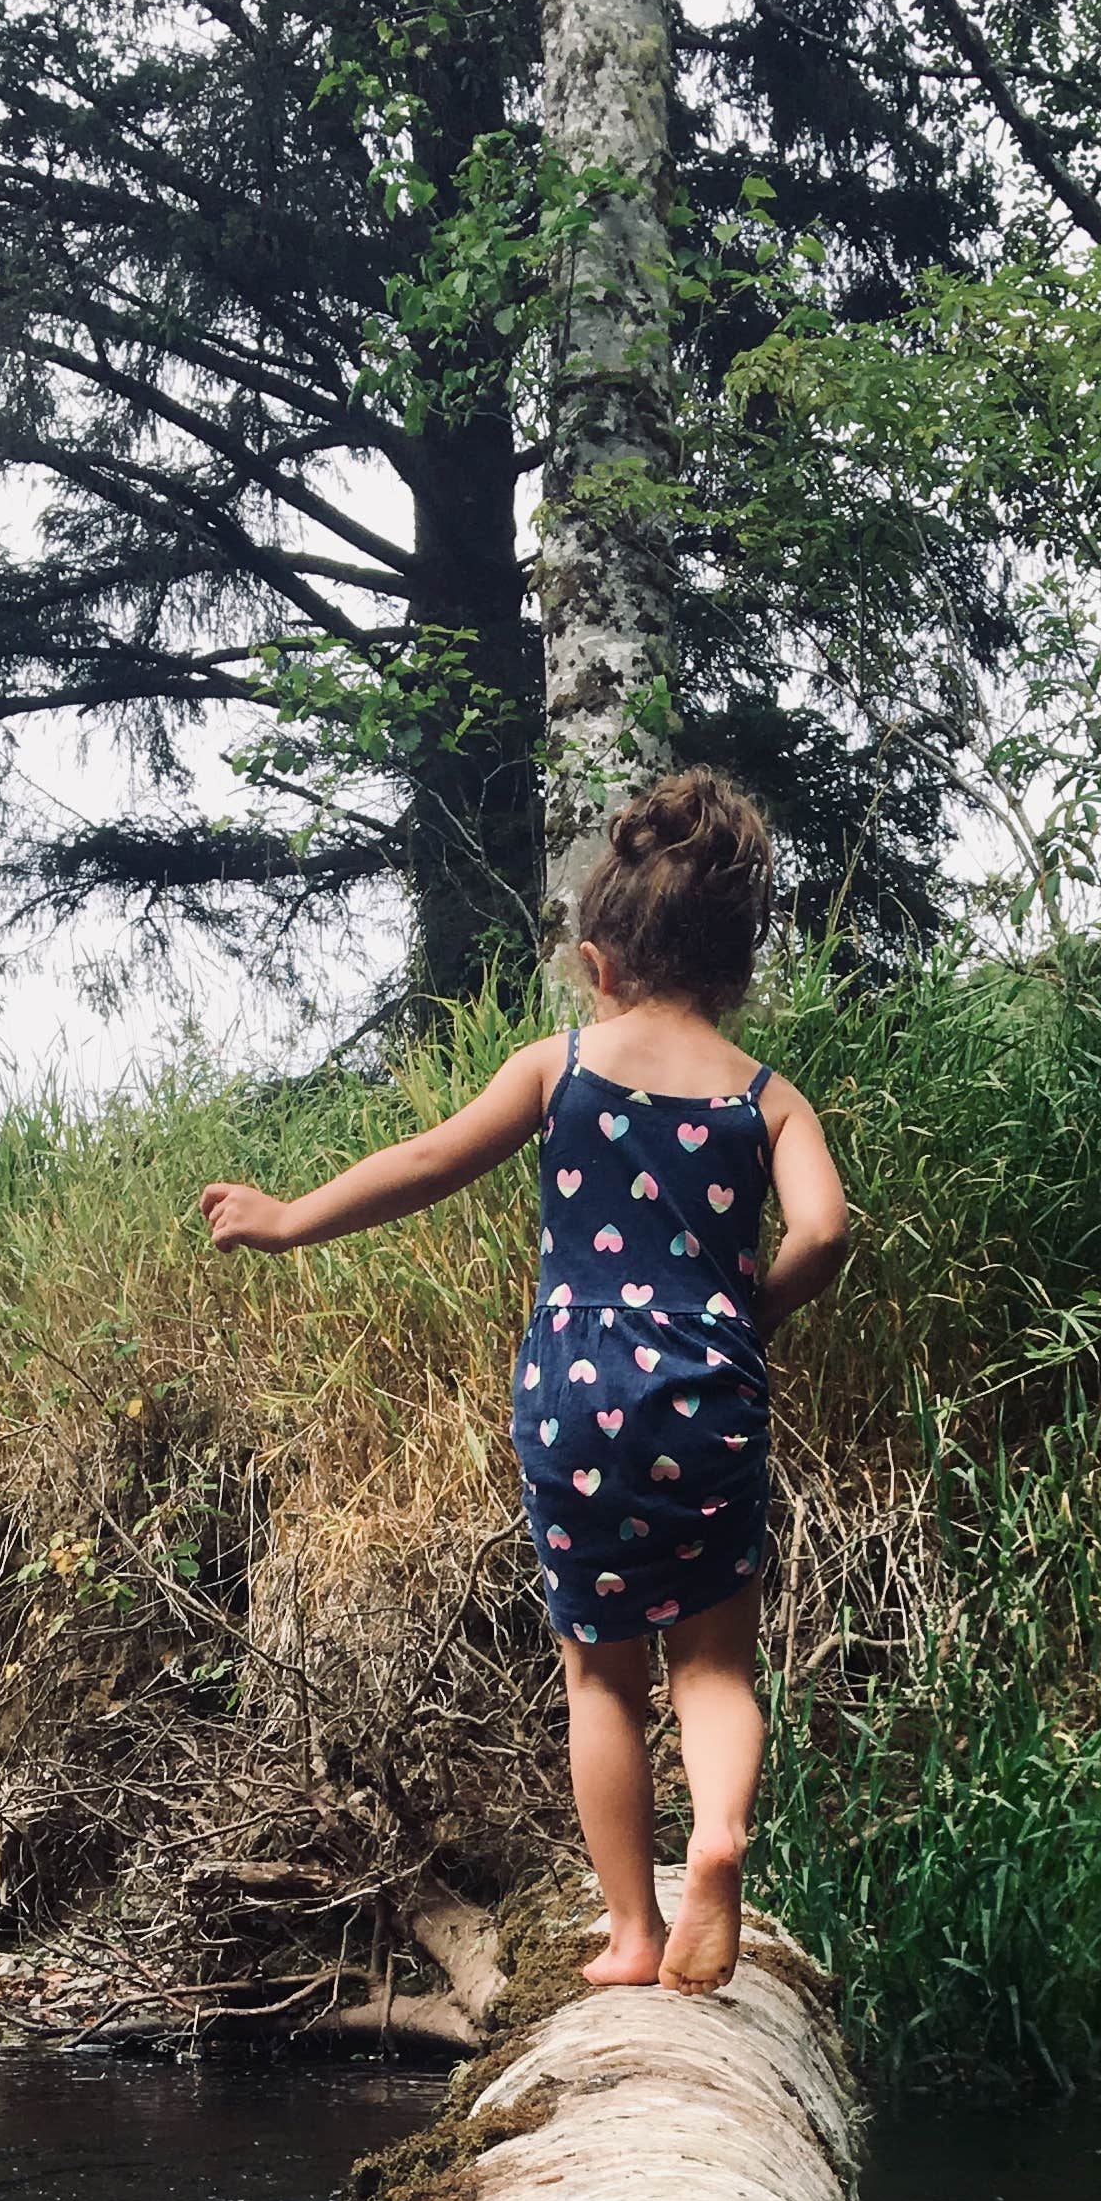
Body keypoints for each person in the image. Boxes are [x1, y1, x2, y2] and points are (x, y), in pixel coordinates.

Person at [200, 774, 850, 1997]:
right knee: (712, 1663)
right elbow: (826, 1231)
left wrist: (286, 1220)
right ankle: (716, 1840)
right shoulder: (767, 1098)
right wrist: (751, 1314)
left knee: (600, 1671)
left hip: (574, 1392)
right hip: (710, 1386)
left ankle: (631, 1934)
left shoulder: (556, 1069)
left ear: (599, 963)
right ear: (737, 968)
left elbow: (427, 1159)